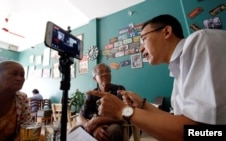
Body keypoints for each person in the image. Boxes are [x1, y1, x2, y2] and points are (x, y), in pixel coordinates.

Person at [87, 14, 226, 141]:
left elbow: (196, 132)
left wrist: (123, 110)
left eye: (143, 39)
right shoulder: (178, 76)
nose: (141, 49)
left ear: (166, 32)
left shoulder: (199, 41)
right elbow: (176, 122)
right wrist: (142, 104)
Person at [79, 63, 126, 141]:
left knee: (114, 130)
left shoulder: (119, 90)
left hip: (112, 124)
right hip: (95, 125)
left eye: (108, 71)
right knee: (77, 129)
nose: (105, 74)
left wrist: (99, 121)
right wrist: (92, 127)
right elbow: (80, 116)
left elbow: (125, 116)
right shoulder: (92, 94)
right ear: (94, 79)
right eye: (101, 72)